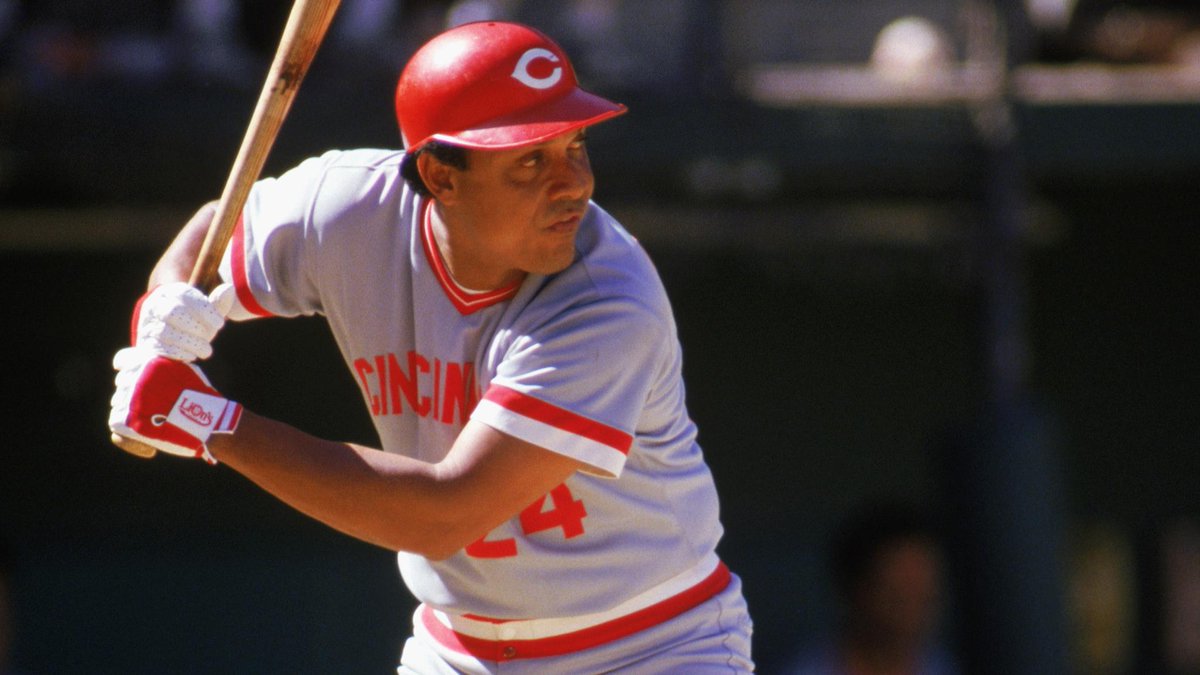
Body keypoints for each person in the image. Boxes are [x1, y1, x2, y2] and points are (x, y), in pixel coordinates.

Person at [108, 20, 754, 674]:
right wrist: (162, 316)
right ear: (440, 176)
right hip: (460, 647)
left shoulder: (606, 302)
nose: (574, 184)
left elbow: (446, 517)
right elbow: (209, 235)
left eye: (575, 145)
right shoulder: (347, 206)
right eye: (531, 160)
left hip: (650, 645)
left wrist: (207, 421)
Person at [786, 500, 957, 675]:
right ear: (856, 592)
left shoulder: (943, 667)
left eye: (926, 599)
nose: (914, 616)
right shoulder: (807, 670)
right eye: (897, 599)